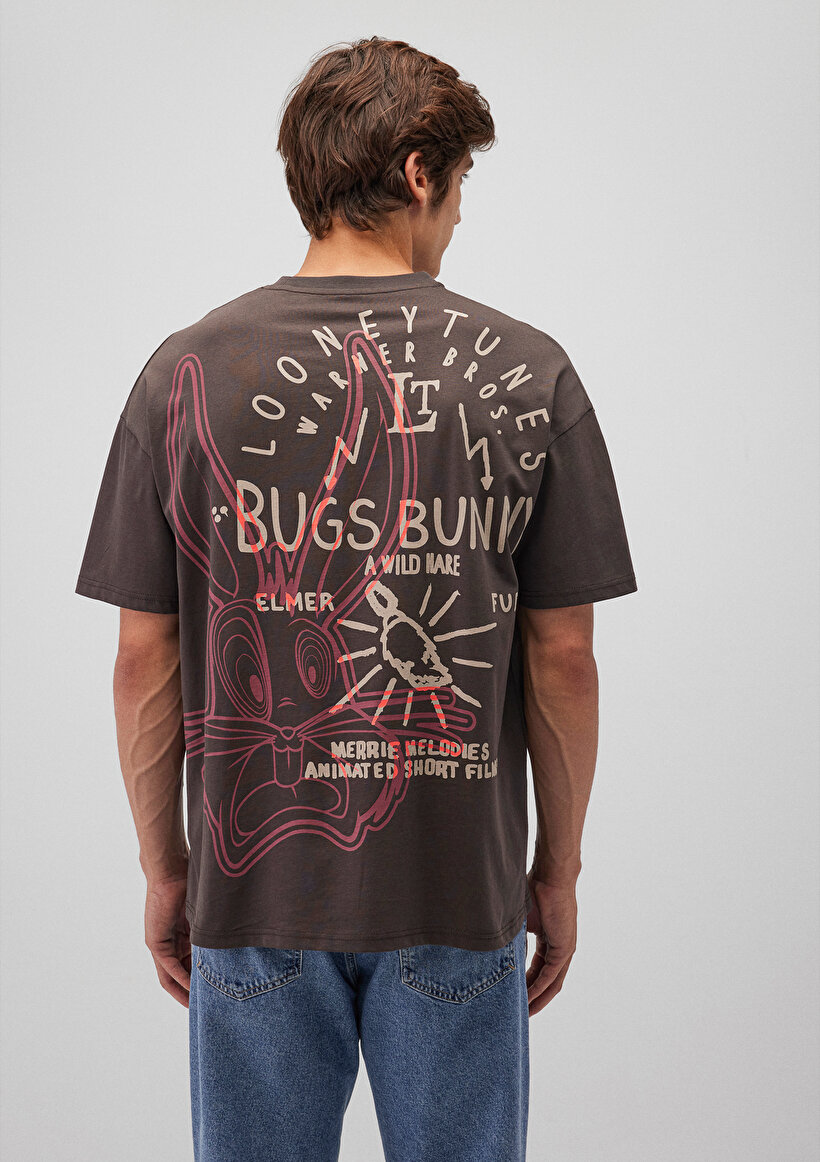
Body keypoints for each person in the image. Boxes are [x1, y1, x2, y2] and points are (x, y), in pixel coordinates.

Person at [75, 35, 638, 1162]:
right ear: (421, 173)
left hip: (252, 898)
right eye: (461, 185)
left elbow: (145, 658)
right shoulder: (531, 373)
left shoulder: (181, 374)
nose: (460, 216)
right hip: (456, 896)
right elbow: (562, 659)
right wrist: (557, 871)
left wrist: (166, 869)